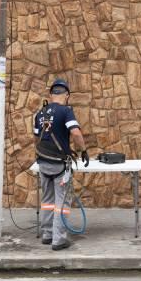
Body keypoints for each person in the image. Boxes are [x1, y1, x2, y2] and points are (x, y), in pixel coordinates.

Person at [33, 78, 88, 251]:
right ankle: (59, 239)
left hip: (43, 163)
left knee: (47, 201)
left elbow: (36, 138)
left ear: (50, 95)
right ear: (67, 95)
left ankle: (47, 235)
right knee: (61, 204)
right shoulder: (66, 111)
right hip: (59, 166)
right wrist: (83, 150)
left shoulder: (40, 113)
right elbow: (76, 133)